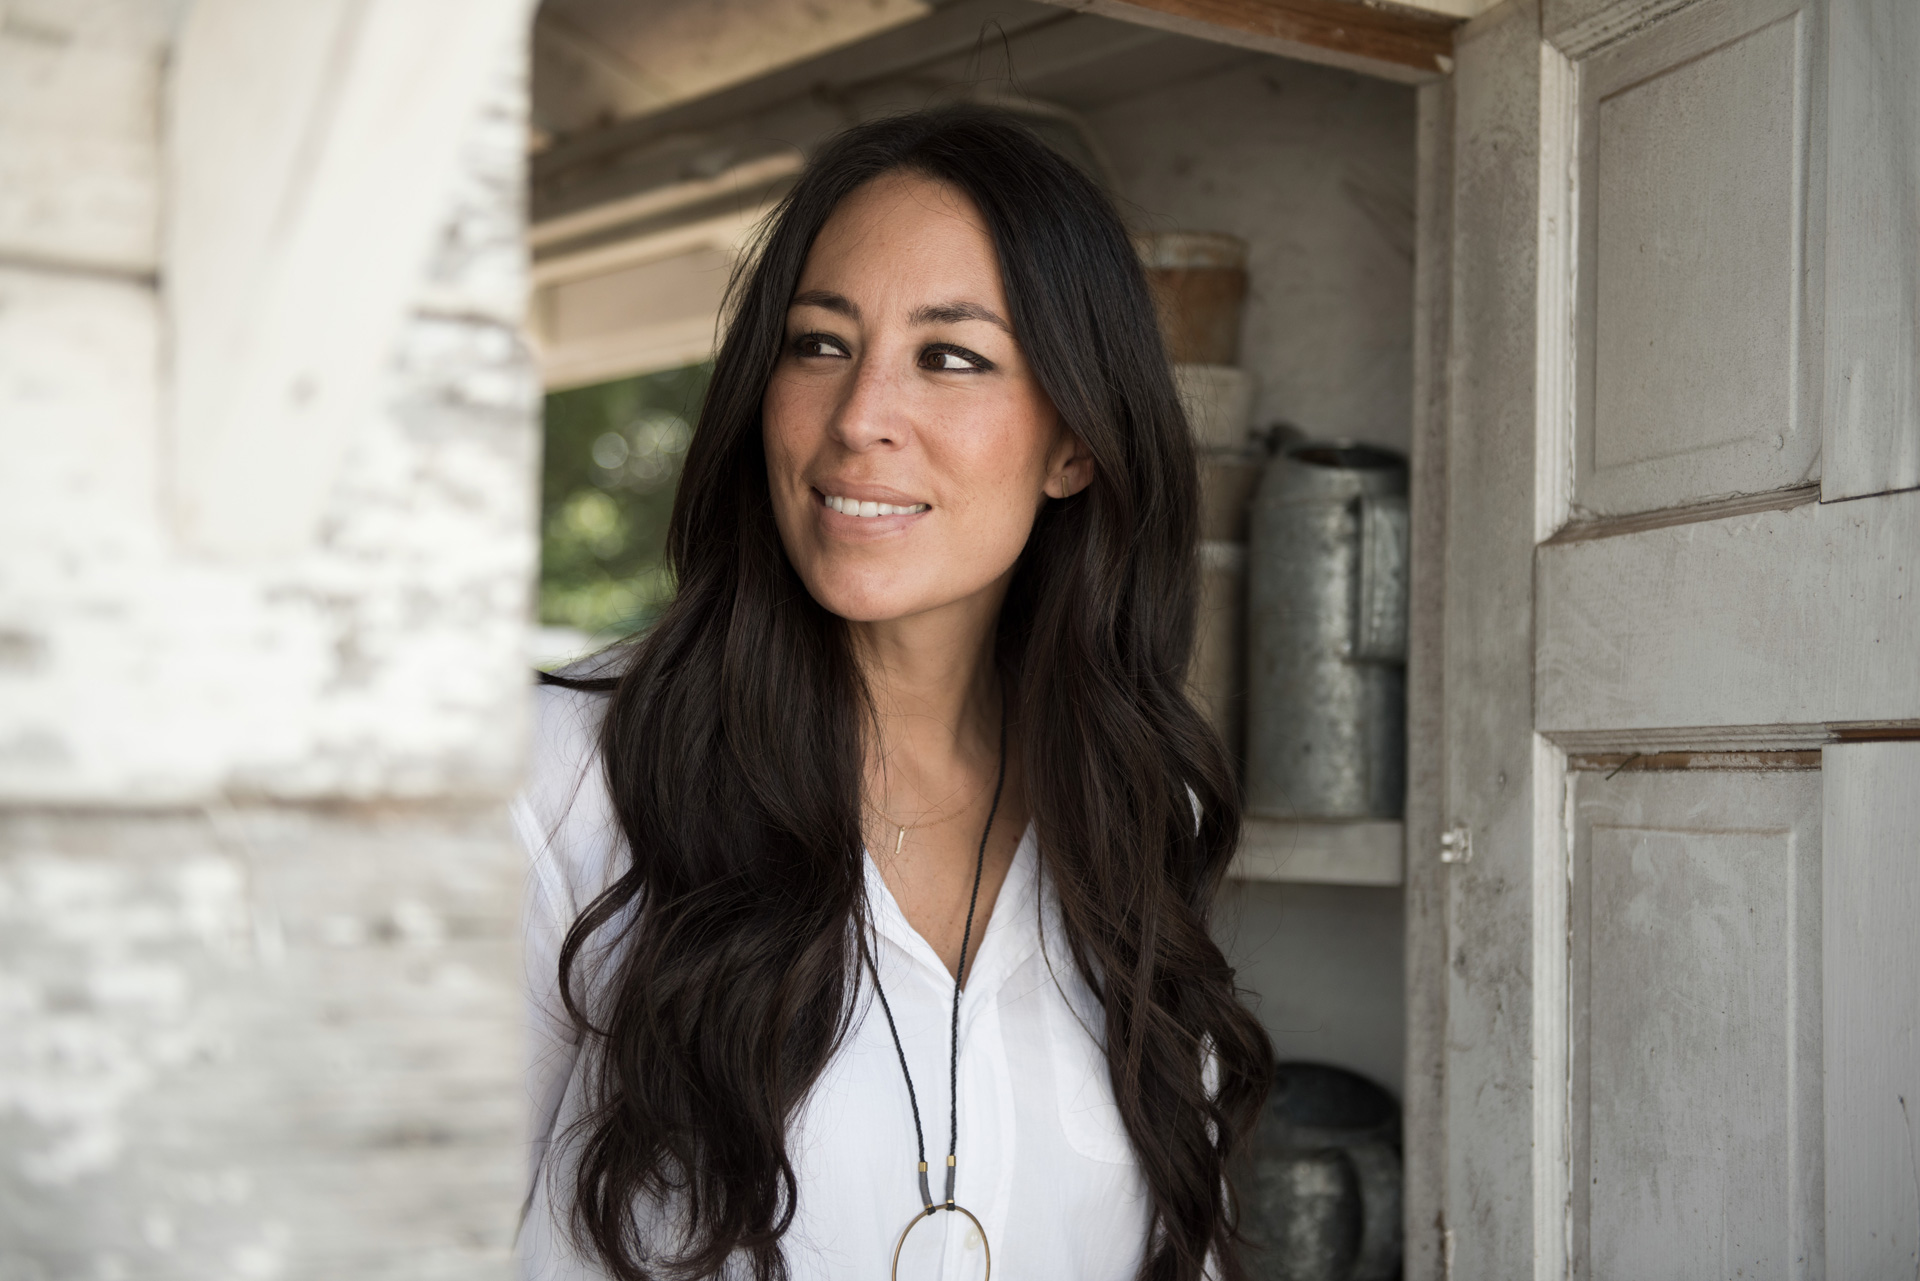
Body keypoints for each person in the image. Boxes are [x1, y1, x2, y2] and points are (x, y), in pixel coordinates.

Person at [515, 105, 1274, 1281]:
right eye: (819, 344)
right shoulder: (567, 776)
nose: (859, 417)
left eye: (951, 357)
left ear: (1075, 443)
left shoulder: (1133, 804)